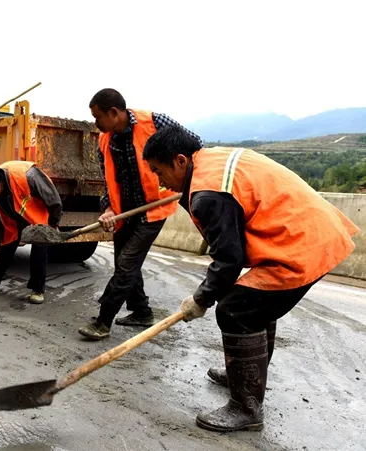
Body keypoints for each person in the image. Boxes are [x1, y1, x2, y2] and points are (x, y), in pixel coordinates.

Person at [142, 126, 359, 432]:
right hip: (310, 231)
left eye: (158, 170)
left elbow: (228, 260)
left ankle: (246, 407)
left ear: (180, 160)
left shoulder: (208, 192)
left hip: (300, 244)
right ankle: (245, 375)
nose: (159, 181)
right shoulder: (209, 162)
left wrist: (200, 299)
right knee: (255, 302)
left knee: (236, 308)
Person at [78, 88, 203, 340]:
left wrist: (190, 181)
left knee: (126, 265)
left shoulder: (156, 122)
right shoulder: (104, 140)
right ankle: (142, 312)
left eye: (97, 116)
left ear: (114, 113)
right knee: (125, 262)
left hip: (154, 208)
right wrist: (109, 208)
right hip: (125, 212)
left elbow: (196, 145)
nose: (95, 123)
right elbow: (107, 179)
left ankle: (103, 322)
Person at [0, 161, 62, 304]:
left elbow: (53, 200)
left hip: (38, 218)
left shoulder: (29, 176)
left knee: (39, 251)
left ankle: (37, 290)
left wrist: (53, 224)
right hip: (15, 218)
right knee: (4, 245)